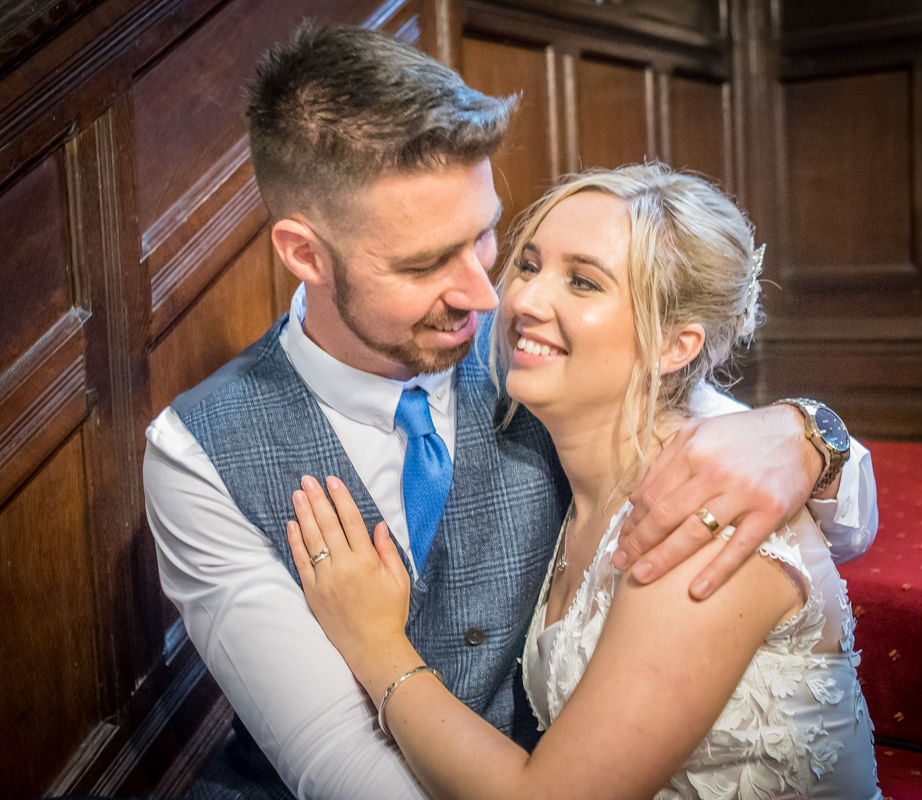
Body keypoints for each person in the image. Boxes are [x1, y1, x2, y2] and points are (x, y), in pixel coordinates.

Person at [142, 25, 878, 799]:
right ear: (306, 255)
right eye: (426, 262)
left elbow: (785, 486)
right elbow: (334, 758)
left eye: (488, 234)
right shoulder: (197, 452)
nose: (493, 296)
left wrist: (807, 435)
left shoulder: (542, 357)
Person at [288, 163, 882, 799]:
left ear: (674, 346)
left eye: (582, 282)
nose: (524, 301)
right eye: (529, 265)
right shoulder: (582, 484)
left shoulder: (697, 522)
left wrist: (376, 644)